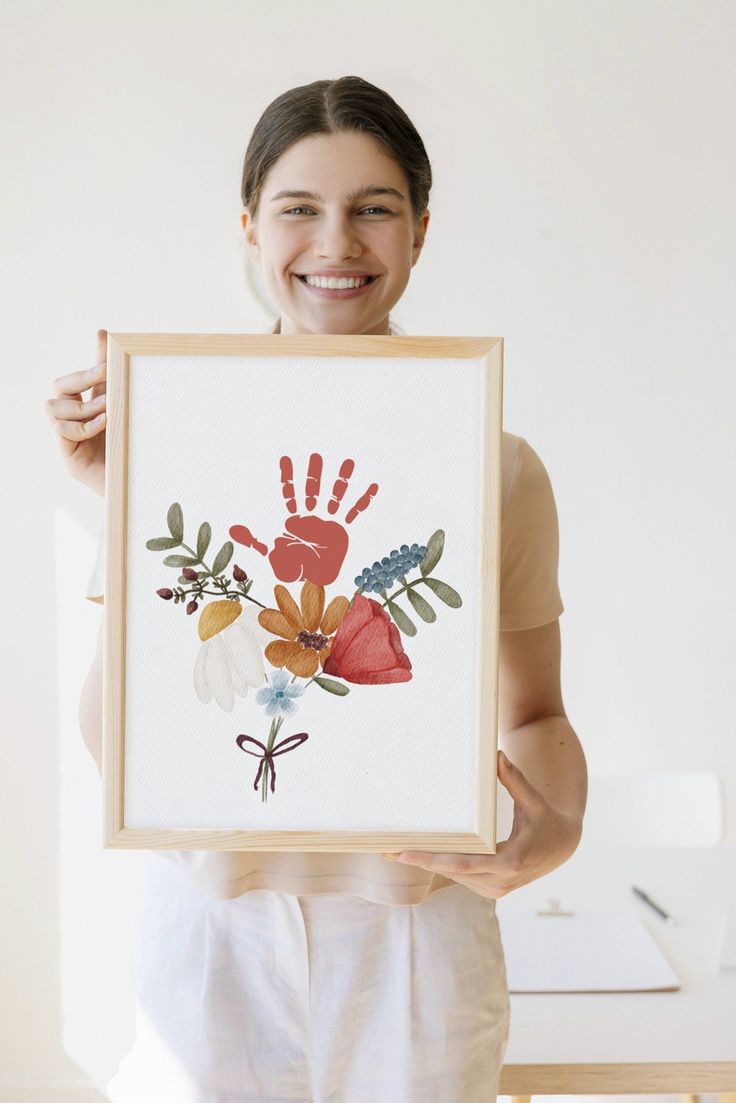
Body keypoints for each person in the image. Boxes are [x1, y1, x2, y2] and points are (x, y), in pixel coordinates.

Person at [46, 75, 587, 1103]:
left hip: (417, 932)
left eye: (373, 208)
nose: (336, 242)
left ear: (420, 231)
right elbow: (118, 738)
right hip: (214, 927)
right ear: (250, 229)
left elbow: (538, 713)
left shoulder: (496, 461)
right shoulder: (172, 435)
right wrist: (130, 506)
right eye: (300, 208)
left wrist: (553, 829)